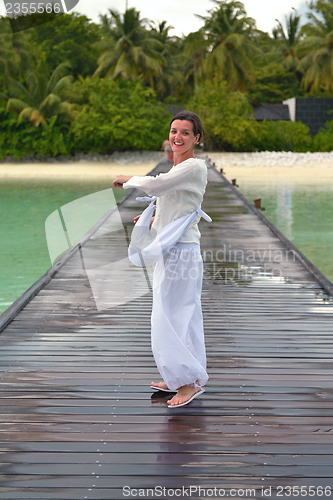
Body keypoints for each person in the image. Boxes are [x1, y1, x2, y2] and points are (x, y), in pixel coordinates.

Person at [112, 111, 209, 408]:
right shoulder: (179, 167)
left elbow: (155, 186)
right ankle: (181, 376)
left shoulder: (193, 166)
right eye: (173, 131)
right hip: (174, 251)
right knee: (179, 315)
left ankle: (188, 383)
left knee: (173, 316)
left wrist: (128, 179)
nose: (177, 137)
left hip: (182, 252)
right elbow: (177, 204)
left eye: (184, 133)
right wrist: (152, 217)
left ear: (196, 138)